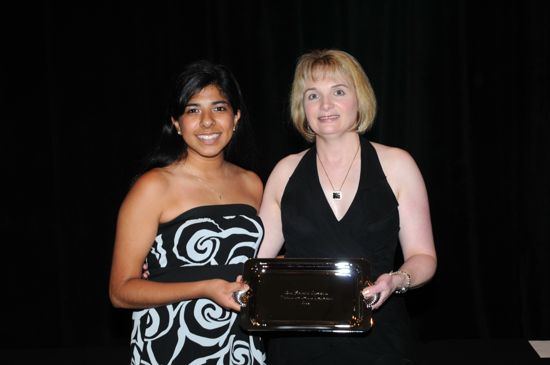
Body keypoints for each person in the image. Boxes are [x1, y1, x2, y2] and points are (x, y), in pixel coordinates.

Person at [257, 49, 437, 364]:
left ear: (359, 98)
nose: (325, 105)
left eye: (338, 91)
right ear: (303, 106)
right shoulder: (284, 171)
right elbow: (255, 261)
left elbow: (423, 257)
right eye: (313, 95)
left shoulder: (398, 164)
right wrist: (167, 272)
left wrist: (397, 280)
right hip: (299, 345)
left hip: (380, 340)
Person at [109, 60, 266, 365]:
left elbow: (259, 266)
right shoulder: (153, 186)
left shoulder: (253, 184)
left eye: (219, 108)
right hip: (172, 344)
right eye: (193, 110)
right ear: (177, 123)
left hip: (240, 346)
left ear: (235, 118)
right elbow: (120, 291)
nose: (207, 122)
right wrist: (205, 289)